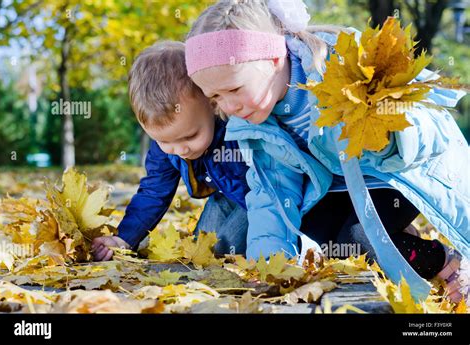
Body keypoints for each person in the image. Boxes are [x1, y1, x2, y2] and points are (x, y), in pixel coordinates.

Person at [185, 0, 469, 303]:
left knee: (364, 239)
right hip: (342, 187)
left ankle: (443, 260)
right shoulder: (257, 122)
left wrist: (391, 137)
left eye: (235, 89)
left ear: (274, 60)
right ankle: (397, 237)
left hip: (398, 176)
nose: (229, 107)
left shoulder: (346, 68)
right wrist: (269, 267)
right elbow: (272, 193)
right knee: (323, 245)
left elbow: (428, 129)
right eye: (215, 97)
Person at [91, 41, 250, 262]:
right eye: (165, 141)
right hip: (227, 198)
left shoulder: (237, 131)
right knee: (202, 249)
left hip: (265, 198)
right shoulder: (165, 148)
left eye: (190, 136)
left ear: (213, 103)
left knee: (227, 246)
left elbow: (271, 187)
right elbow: (153, 191)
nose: (180, 149)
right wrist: (124, 239)